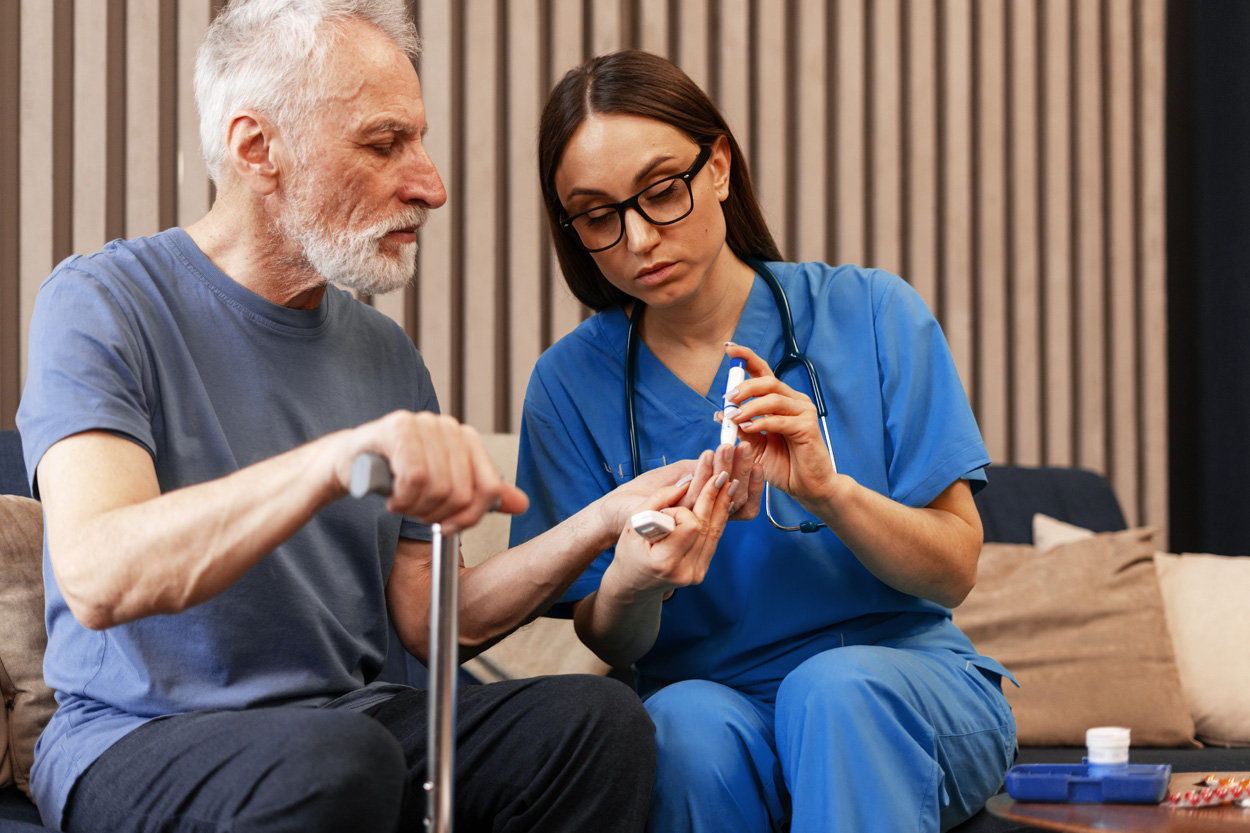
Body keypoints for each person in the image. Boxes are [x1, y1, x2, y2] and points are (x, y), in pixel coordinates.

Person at [16, 6, 741, 832]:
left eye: (420, 141)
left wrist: (604, 520)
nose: (430, 184)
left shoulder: (386, 355)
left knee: (597, 725)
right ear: (259, 149)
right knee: (338, 758)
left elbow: (433, 618)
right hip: (139, 737)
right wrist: (338, 459)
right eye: (383, 143)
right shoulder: (103, 302)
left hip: (345, 721)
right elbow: (102, 574)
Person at [510, 50, 1018, 833]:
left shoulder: (874, 314)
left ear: (717, 166)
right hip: (712, 698)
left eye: (661, 191)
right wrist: (635, 582)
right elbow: (607, 632)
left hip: (903, 682)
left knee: (834, 690)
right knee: (676, 726)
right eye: (600, 214)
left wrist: (828, 491)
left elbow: (953, 571)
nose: (639, 237)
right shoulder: (569, 384)